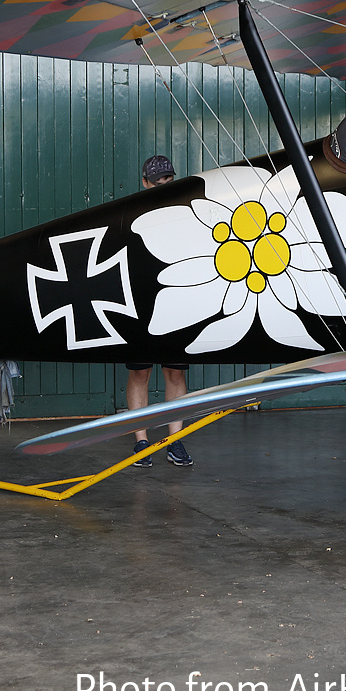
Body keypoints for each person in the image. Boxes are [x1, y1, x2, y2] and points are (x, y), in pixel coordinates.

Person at [127, 154, 193, 467]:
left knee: (175, 371)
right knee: (140, 372)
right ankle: (141, 441)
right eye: (158, 182)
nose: (164, 187)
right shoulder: (128, 214)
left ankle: (174, 441)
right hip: (141, 301)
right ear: (145, 183)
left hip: (176, 300)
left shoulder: (185, 213)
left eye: (169, 181)